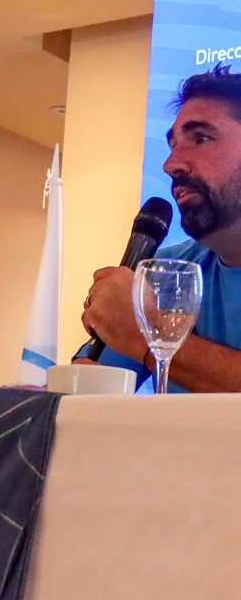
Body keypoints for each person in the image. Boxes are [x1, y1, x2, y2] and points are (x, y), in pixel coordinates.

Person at [78, 65, 241, 392]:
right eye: (172, 145)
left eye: (201, 138)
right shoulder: (165, 274)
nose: (170, 165)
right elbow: (83, 389)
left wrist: (148, 333)